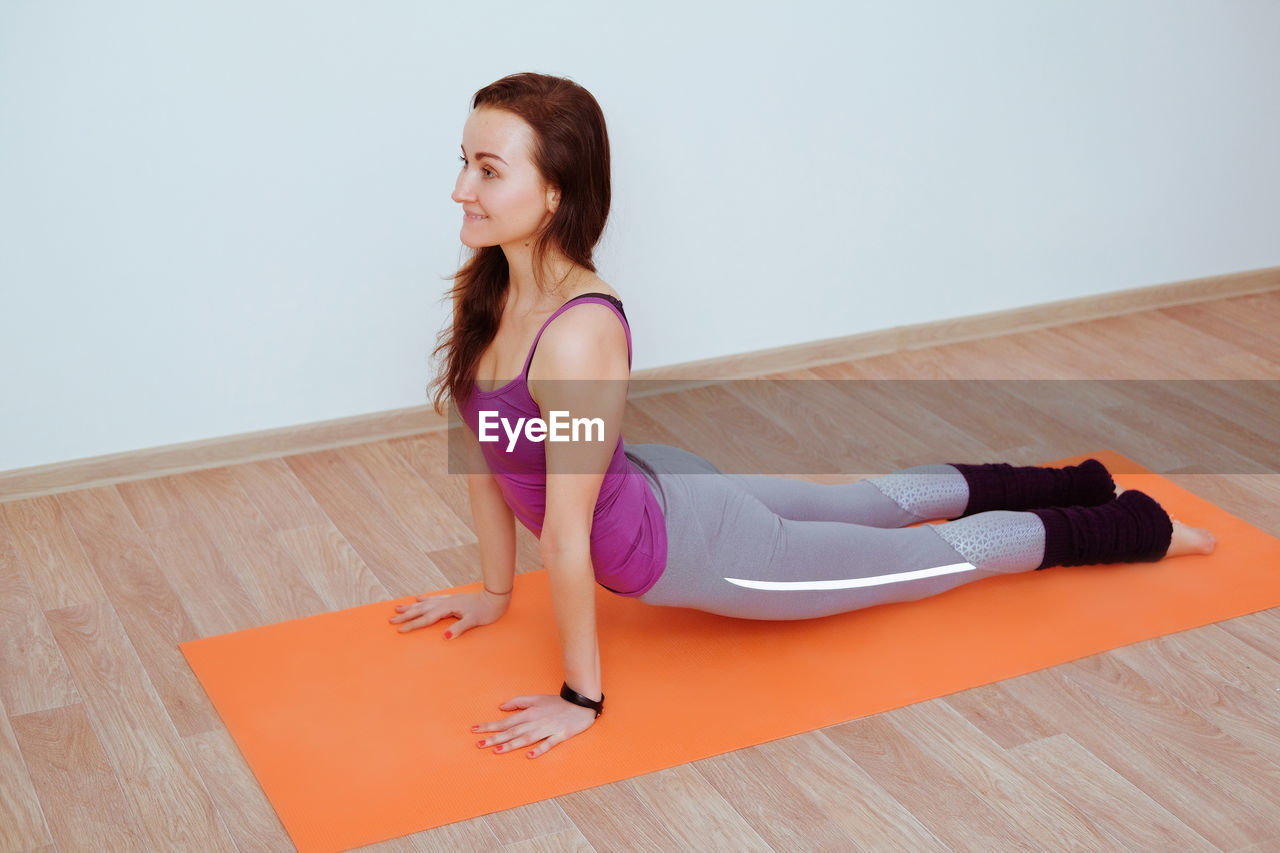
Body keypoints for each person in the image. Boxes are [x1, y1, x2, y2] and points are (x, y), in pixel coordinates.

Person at [389, 72, 1216, 758]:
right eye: (464, 162)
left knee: (926, 560)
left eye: (489, 170)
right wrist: (495, 591)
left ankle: (1134, 528)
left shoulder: (579, 334)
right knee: (869, 503)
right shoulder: (490, 291)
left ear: (555, 189)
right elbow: (492, 458)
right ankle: (1082, 480)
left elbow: (566, 534)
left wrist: (581, 696)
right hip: (664, 491)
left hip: (704, 546)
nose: (461, 187)